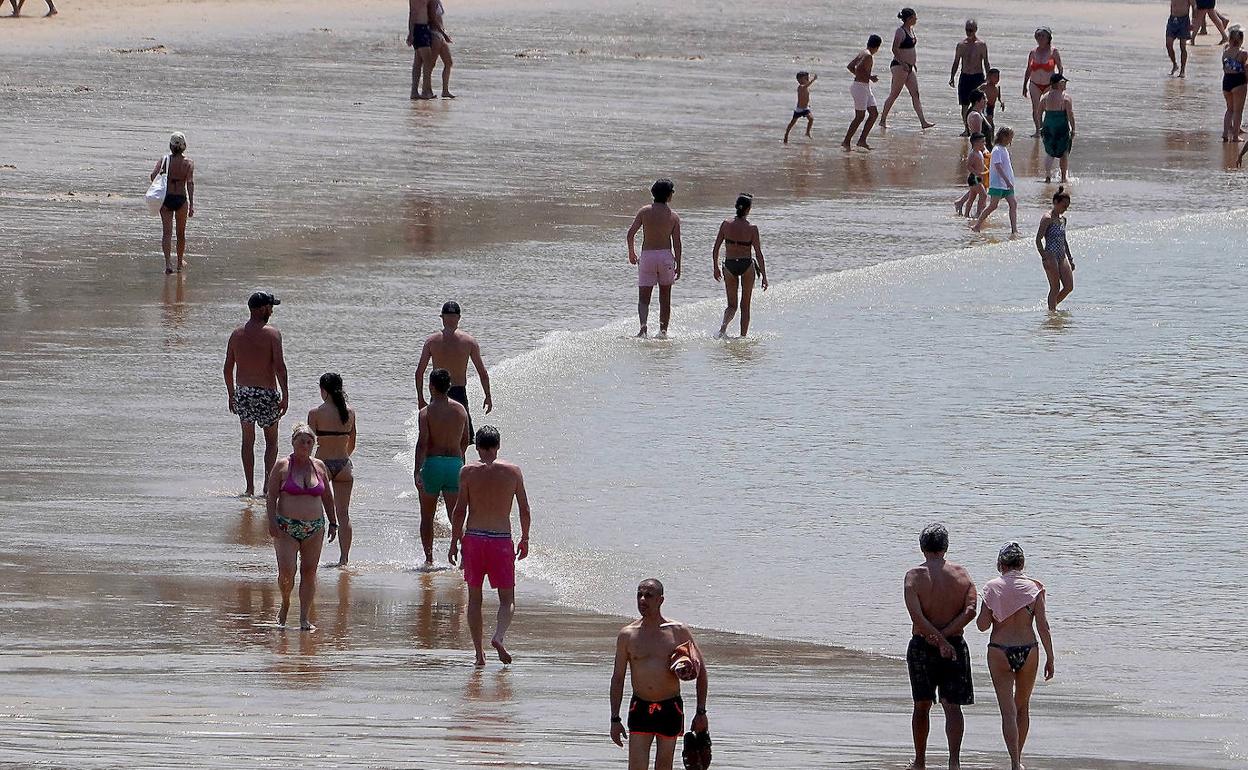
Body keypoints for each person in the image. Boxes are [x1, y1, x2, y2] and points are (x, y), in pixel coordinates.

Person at [448, 426, 531, 666]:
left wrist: (454, 541)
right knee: (507, 599)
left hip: (474, 539)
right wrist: (525, 538)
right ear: (498, 446)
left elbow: (459, 510)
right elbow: (524, 509)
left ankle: (478, 654)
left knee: (474, 599)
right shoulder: (513, 472)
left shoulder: (467, 472)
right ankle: (498, 636)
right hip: (500, 541)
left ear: (476, 447)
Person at [610, 579, 709, 770]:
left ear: (661, 600)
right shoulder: (627, 635)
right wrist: (615, 719)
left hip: (670, 707)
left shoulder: (678, 631)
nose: (642, 599)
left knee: (664, 767)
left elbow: (701, 672)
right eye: (639, 595)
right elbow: (618, 678)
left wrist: (701, 712)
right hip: (640, 706)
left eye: (648, 595)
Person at [903, 524, 977, 770]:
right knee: (952, 706)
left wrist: (937, 639)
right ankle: (954, 762)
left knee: (921, 705)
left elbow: (917, 617)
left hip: (923, 645)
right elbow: (970, 611)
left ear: (922, 547)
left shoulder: (914, 576)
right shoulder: (962, 575)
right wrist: (946, 638)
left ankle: (920, 761)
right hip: (954, 645)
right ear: (945, 547)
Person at [975, 543, 1055, 770]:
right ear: (1022, 564)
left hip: (1000, 650)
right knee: (1023, 707)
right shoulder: (1035, 588)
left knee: (1007, 711)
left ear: (1000, 564)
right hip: (1028, 650)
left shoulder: (991, 587)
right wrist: (1051, 657)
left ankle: (1014, 761)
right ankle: (1017, 761)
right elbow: (1043, 626)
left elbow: (982, 626)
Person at [265, 423, 338, 631]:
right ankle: (286, 601)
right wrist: (271, 522)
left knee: (309, 572)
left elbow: (327, 497)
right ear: (293, 442)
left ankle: (304, 617)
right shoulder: (282, 466)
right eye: (301, 440)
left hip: (315, 527)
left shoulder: (320, 466)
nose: (305, 444)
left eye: (309, 441)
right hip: (286, 527)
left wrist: (333, 522)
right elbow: (271, 497)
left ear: (313, 444)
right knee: (287, 572)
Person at [224, 291, 288, 497]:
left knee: (247, 441)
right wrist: (285, 394)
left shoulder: (236, 334)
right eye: (270, 307)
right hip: (267, 393)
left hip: (243, 392)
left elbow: (227, 368)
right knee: (271, 442)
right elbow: (279, 367)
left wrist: (231, 393)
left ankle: (249, 487)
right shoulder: (272, 334)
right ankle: (268, 487)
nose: (272, 311)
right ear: (261, 309)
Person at [415, 301, 492, 453]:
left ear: (442, 318)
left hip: (437, 393)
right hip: (459, 394)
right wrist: (488, 395)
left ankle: (431, 470)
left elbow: (419, 372)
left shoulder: (432, 341)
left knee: (433, 437)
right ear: (459, 318)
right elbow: (482, 372)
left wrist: (420, 398)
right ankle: (459, 470)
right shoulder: (469, 341)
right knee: (463, 440)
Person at [414, 368, 469, 568]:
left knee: (427, 515)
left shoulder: (426, 412)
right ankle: (464, 558)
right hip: (455, 464)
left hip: (433, 464)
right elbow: (466, 439)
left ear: (431, 386)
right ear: (449, 386)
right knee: (455, 515)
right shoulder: (460, 410)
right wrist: (458, 459)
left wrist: (417, 469)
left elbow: (423, 443)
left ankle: (429, 560)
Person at [307, 372, 356, 567]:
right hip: (344, 465)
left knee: (316, 511)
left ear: (323, 390)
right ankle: (344, 559)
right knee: (343, 514)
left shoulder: (315, 413)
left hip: (322, 465)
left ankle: (313, 556)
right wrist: (345, 458)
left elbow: (308, 444)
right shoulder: (350, 412)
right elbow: (352, 443)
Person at [626, 179, 682, 338]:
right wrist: (679, 264)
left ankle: (643, 329)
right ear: (668, 195)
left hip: (647, 256)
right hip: (665, 257)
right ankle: (663, 331)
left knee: (644, 298)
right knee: (665, 298)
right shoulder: (673, 216)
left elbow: (630, 234)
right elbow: (677, 243)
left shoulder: (644, 211)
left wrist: (631, 252)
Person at [712, 194, 769, 338]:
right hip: (746, 265)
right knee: (745, 306)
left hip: (729, 264)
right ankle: (743, 337)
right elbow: (758, 254)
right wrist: (764, 276)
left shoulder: (726, 224)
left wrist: (716, 267)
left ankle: (723, 328)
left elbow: (716, 247)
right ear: (748, 209)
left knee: (732, 305)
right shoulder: (752, 228)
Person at [880, 8, 937, 130]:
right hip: (900, 66)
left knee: (915, 94)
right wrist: (903, 63)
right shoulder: (900, 32)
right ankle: (883, 119)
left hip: (910, 67)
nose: (916, 19)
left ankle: (923, 122)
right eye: (914, 17)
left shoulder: (911, 30)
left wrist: (913, 63)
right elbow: (894, 49)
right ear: (909, 18)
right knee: (894, 94)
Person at [149, 132, 195, 274]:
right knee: (181, 234)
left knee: (167, 233)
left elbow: (152, 176)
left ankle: (168, 264)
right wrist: (192, 204)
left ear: (170, 145)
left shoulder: (164, 160)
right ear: (184, 146)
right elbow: (190, 184)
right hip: (181, 199)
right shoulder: (188, 163)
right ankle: (180, 263)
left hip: (166, 199)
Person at [973, 126, 1018, 235]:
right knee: (993, 206)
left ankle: (1014, 229)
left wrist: (1009, 181)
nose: (1011, 140)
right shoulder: (997, 149)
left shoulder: (1004, 149)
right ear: (1004, 137)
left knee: (1013, 204)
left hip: (1007, 184)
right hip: (998, 183)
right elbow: (998, 167)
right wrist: (1007, 181)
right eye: (1010, 137)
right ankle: (977, 225)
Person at [949, 19, 991, 136]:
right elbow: (956, 62)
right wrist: (952, 76)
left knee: (979, 105)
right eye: (967, 30)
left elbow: (986, 63)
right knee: (964, 105)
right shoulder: (961, 45)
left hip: (977, 77)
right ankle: (967, 129)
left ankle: (979, 129)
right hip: (965, 77)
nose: (969, 32)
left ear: (976, 30)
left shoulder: (981, 45)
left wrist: (989, 79)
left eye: (971, 30)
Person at [1036, 187, 1075, 310]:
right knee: (1055, 287)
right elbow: (1038, 239)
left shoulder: (1063, 220)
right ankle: (1052, 315)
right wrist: (1044, 256)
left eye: (1067, 207)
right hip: (1050, 255)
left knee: (1069, 286)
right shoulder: (1047, 218)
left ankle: (1051, 307)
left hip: (1062, 255)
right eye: (1064, 206)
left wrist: (1070, 258)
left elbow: (1064, 240)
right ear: (1055, 202)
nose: (1065, 209)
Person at [843, 36, 882, 150]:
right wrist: (870, 77)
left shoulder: (862, 52)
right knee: (860, 116)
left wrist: (863, 77)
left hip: (864, 87)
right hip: (860, 88)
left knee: (874, 113)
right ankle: (846, 141)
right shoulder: (868, 55)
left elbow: (850, 67)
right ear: (877, 47)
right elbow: (859, 68)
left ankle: (862, 140)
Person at [1023, 28, 1063, 136]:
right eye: (1038, 36)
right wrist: (1024, 85)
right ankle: (1038, 130)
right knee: (1036, 107)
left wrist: (1058, 83)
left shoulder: (1053, 51)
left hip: (1049, 84)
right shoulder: (1033, 52)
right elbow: (1028, 69)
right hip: (1034, 83)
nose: (1040, 38)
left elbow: (1060, 68)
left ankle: (1048, 129)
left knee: (1049, 107)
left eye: (1043, 36)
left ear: (1048, 38)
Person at [1039, 74, 1075, 183]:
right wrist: (1073, 129)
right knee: (1064, 153)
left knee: (1050, 152)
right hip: (1061, 128)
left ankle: (1048, 176)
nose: (1065, 85)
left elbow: (1039, 113)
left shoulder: (1045, 97)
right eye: (1064, 82)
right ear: (1059, 84)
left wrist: (1040, 127)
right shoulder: (1066, 98)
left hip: (1048, 127)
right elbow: (1070, 115)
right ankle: (1063, 177)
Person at [406, 0, 435, 99]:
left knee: (418, 61)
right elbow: (413, 12)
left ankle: (415, 91)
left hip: (423, 28)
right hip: (419, 29)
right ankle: (425, 91)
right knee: (427, 61)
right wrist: (411, 33)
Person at [955, 133, 988, 218]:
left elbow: (981, 163)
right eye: (982, 142)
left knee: (972, 197)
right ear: (976, 143)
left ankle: (966, 214)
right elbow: (968, 166)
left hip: (977, 178)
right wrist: (976, 173)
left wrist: (985, 169)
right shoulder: (973, 154)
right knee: (983, 195)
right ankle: (978, 213)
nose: (984, 143)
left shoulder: (979, 152)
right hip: (974, 178)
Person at [1223, 26, 1248, 141]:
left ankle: (1225, 133)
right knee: (1238, 111)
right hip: (1239, 81)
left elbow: (1224, 67)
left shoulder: (1225, 52)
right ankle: (1235, 136)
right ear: (1241, 40)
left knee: (1229, 110)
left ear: (1229, 39)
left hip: (1226, 81)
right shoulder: (1243, 53)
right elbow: (1246, 67)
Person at [783, 71, 818, 144]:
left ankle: (807, 132)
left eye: (808, 78)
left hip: (805, 108)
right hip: (799, 109)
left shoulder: (807, 88)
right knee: (792, 123)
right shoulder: (801, 87)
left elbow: (806, 97)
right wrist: (813, 80)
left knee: (811, 119)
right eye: (806, 78)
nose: (808, 79)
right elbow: (806, 86)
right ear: (800, 80)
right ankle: (786, 134)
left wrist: (808, 104)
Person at [430, 0, 455, 98]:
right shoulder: (432, 1)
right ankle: (427, 89)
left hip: (440, 34)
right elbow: (432, 18)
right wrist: (444, 34)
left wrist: (443, 33)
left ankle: (445, 90)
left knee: (448, 62)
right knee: (431, 64)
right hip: (434, 33)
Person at [1168, 0, 1196, 77]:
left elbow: (1194, 6)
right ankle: (1174, 64)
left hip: (1184, 20)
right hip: (1172, 19)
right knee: (1168, 44)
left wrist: (1193, 21)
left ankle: (1182, 70)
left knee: (1182, 46)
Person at [983, 68, 1005, 142]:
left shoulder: (997, 87)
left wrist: (1002, 102)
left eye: (998, 77)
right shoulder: (985, 86)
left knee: (990, 124)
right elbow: (975, 93)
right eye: (995, 77)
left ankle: (990, 139)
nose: (997, 79)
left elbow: (999, 97)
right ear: (989, 77)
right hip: (985, 106)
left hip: (992, 107)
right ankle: (988, 139)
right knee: (989, 123)